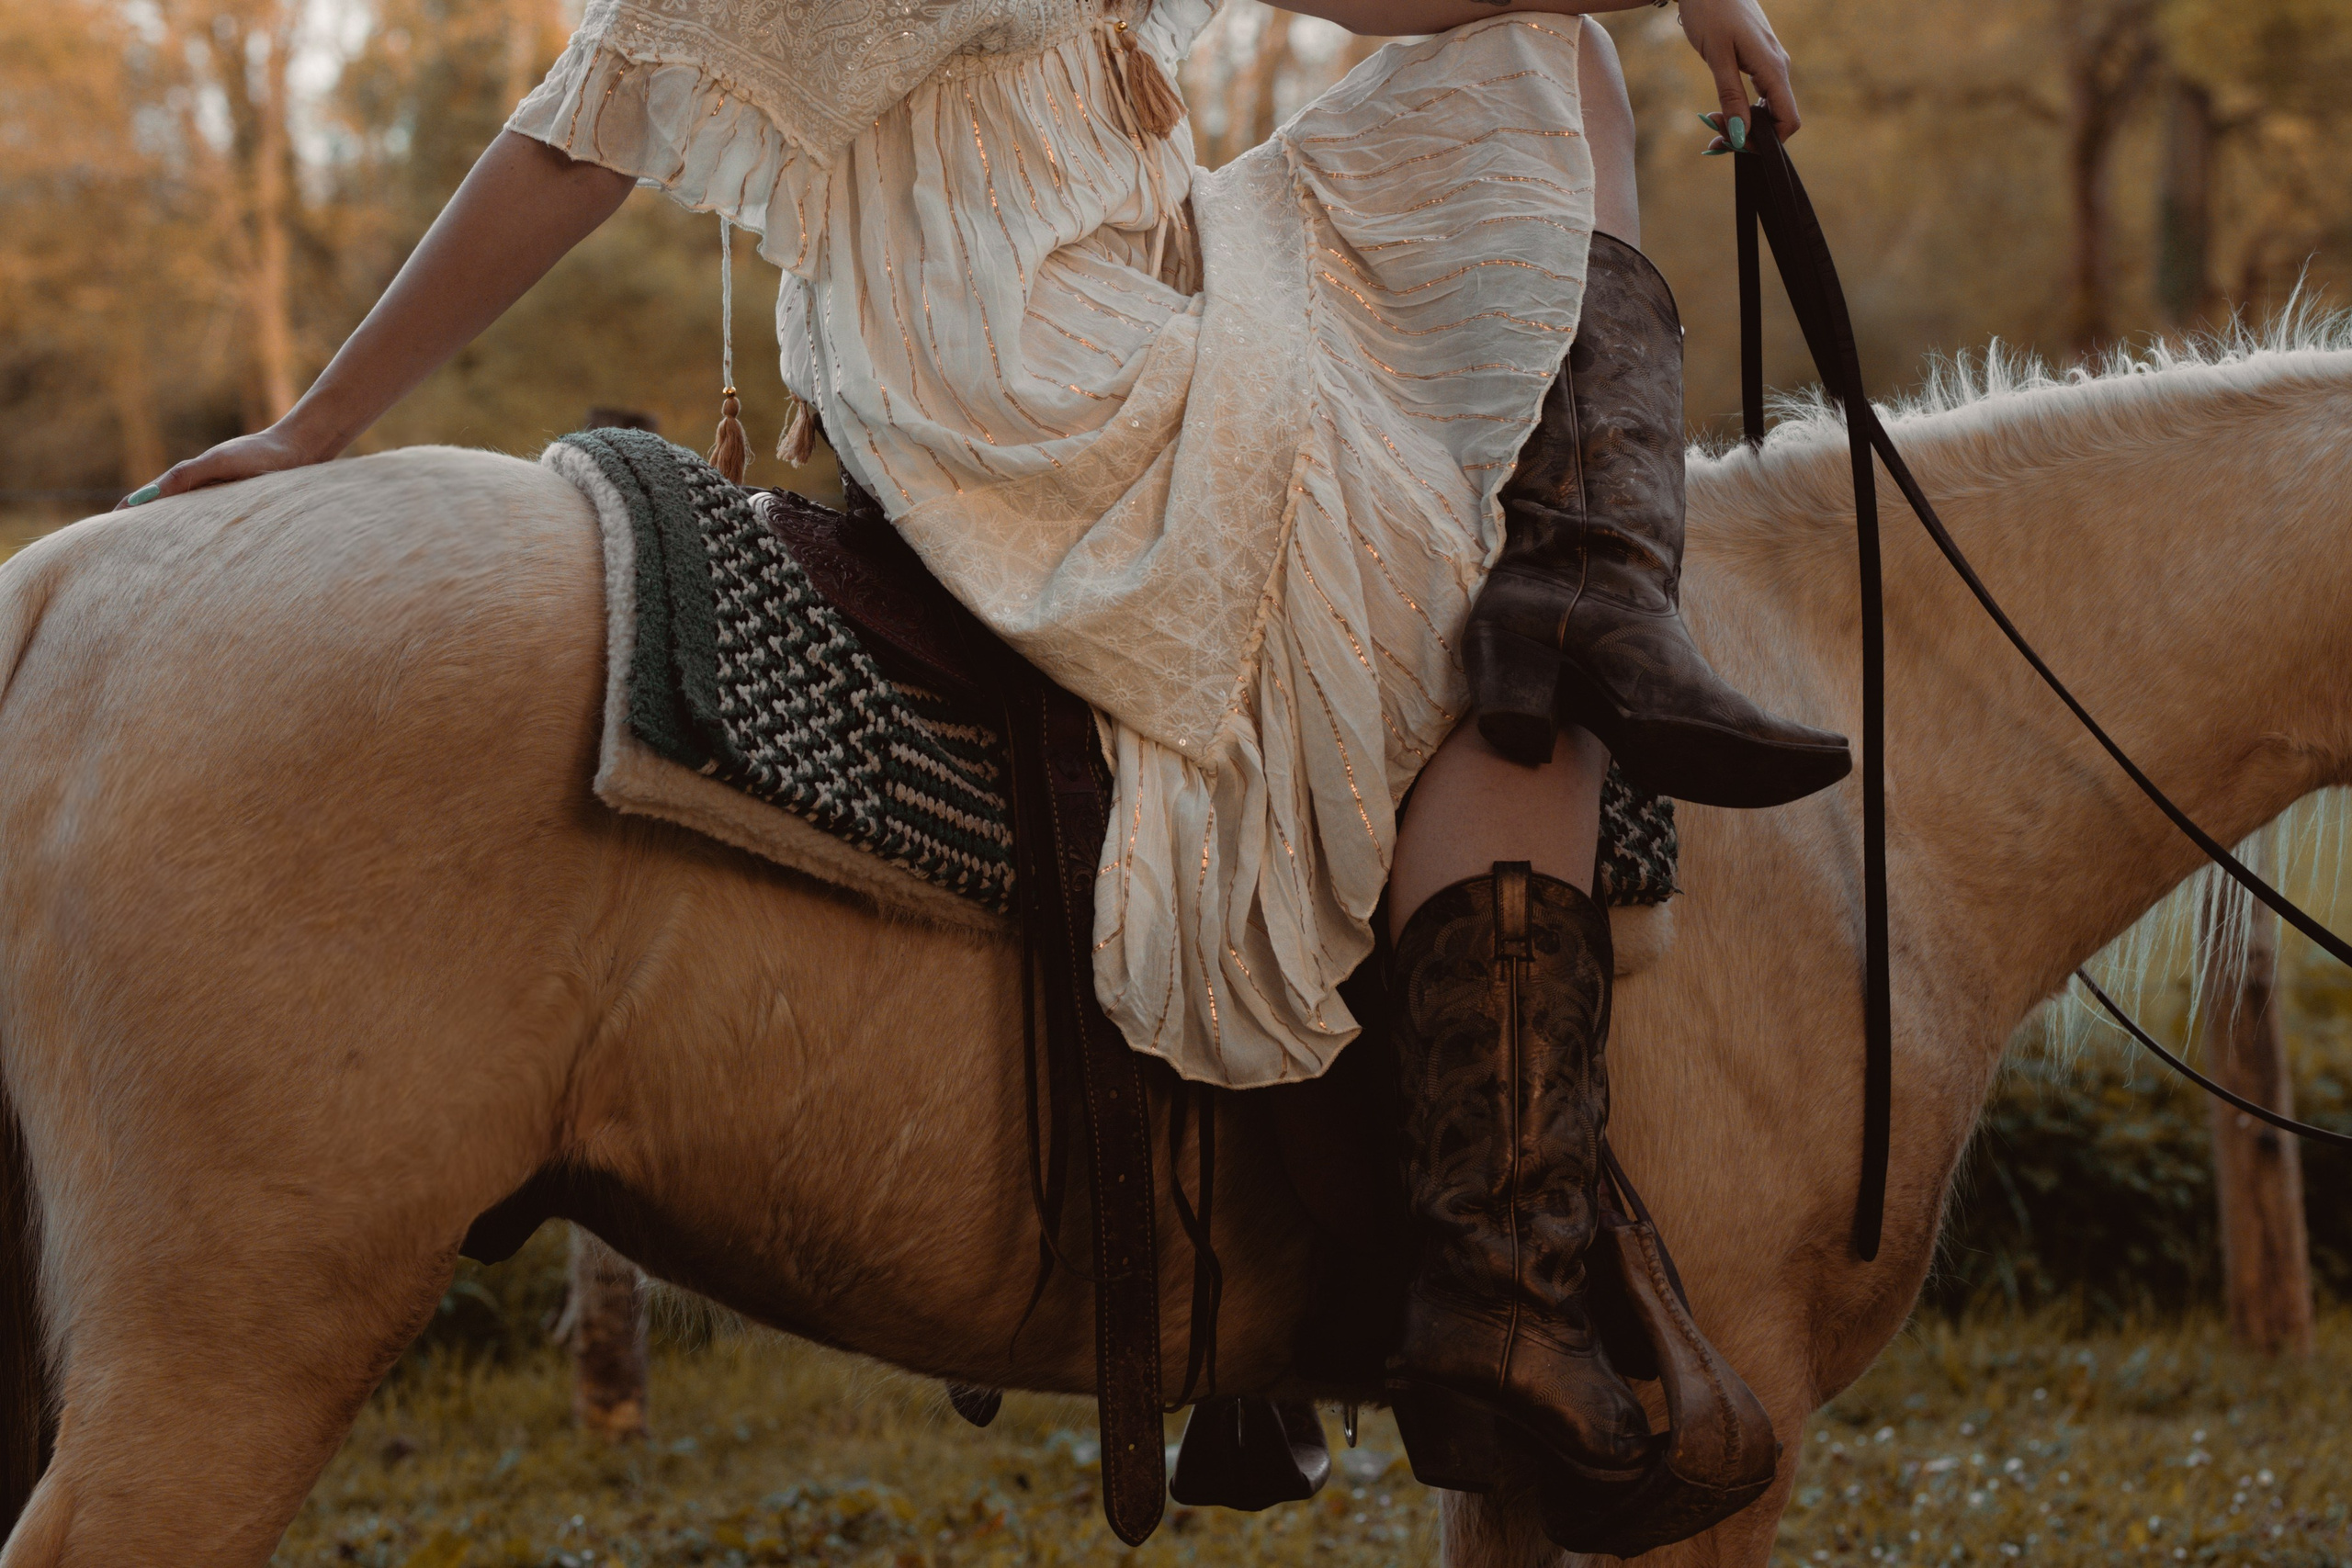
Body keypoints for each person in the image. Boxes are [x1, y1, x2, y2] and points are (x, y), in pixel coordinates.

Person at [130, 0, 1845, 1506]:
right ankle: (1504, 1268)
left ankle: (1591, 582)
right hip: (1019, 352)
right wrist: (316, 425)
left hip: (1138, 260)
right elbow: (582, 137)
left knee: (1546, 58)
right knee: (1415, 561)